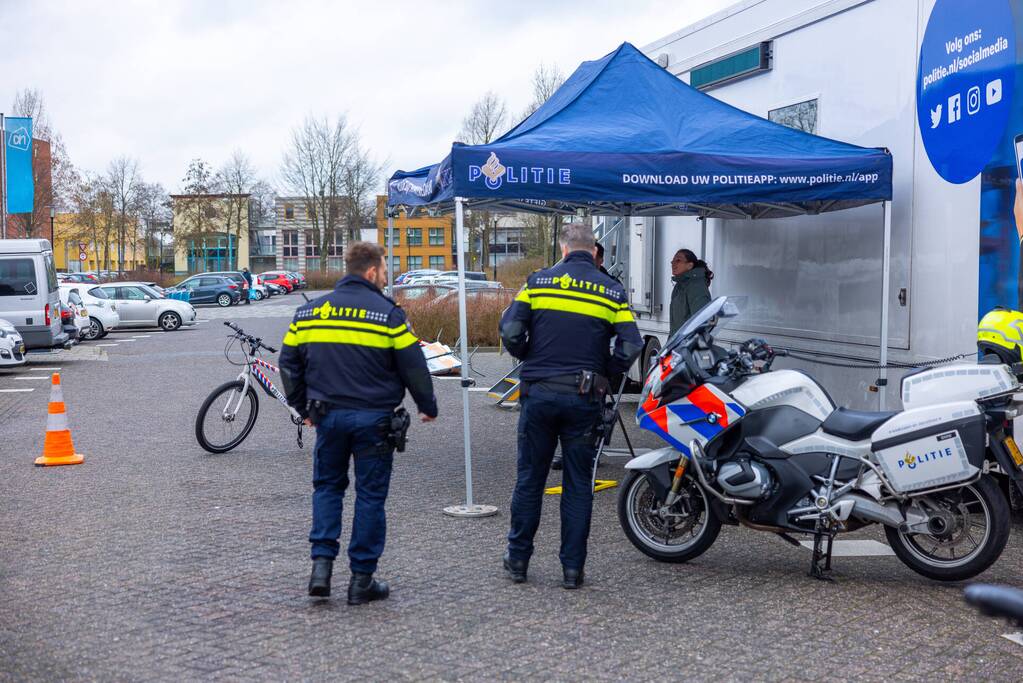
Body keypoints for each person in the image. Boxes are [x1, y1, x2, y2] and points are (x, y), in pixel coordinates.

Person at [278, 242, 437, 604]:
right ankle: (361, 581)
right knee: (369, 496)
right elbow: (413, 364)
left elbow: (288, 364)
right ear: (370, 272)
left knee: (328, 489)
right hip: (375, 421)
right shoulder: (388, 314)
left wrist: (302, 407)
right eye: (384, 269)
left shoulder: (308, 314)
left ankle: (321, 568)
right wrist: (428, 406)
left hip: (328, 418)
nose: (385, 275)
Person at [499, 223, 642, 589]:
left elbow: (511, 331)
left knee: (530, 479)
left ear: (563, 250)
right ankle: (572, 570)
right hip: (584, 398)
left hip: (540, 394)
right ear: (594, 252)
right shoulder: (611, 291)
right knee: (579, 484)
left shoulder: (538, 282)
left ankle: (517, 561)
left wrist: (528, 355)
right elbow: (630, 346)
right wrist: (603, 373)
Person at [669, 248, 713, 335]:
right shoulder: (679, 286)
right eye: (672, 261)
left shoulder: (696, 286)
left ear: (690, 265)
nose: (673, 264)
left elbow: (702, 321)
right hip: (678, 344)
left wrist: (688, 344)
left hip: (688, 345)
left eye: (678, 260)